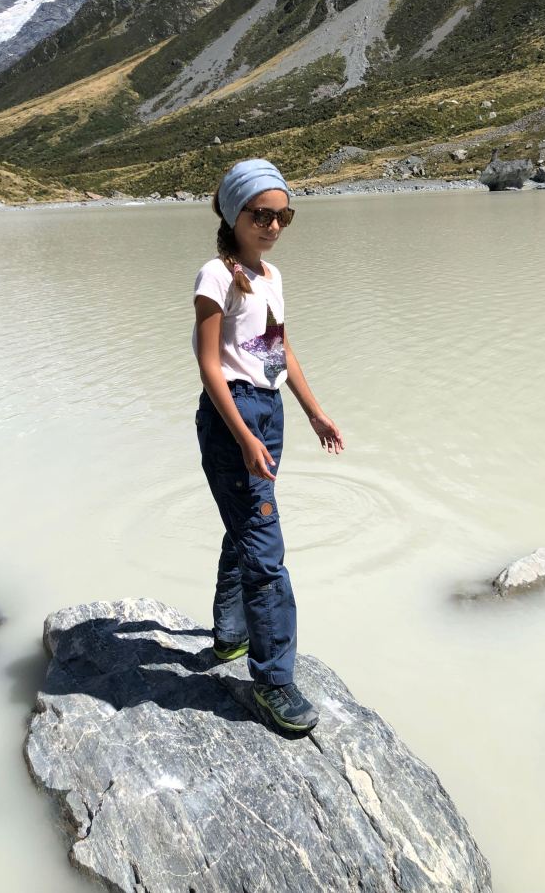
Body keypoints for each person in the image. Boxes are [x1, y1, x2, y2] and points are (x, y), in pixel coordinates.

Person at [191, 157, 344, 732]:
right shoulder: (214, 275)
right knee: (265, 550)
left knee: (246, 528)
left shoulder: (270, 278)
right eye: (262, 215)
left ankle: (230, 636)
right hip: (234, 414)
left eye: (284, 216)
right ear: (236, 215)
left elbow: (277, 354)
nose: (274, 226)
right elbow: (209, 366)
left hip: (266, 409)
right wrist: (244, 436)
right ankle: (274, 681)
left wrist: (314, 412)